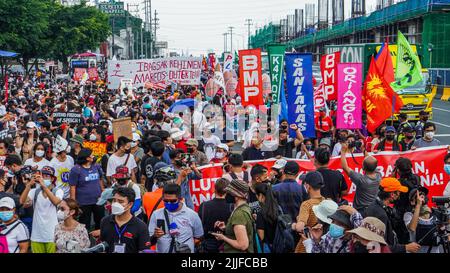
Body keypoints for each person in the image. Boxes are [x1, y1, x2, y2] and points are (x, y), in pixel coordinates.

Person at [364, 177, 421, 253]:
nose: (400, 195)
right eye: (399, 192)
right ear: (392, 194)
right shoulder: (380, 214)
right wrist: (405, 248)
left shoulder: (375, 206)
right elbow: (378, 247)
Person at [19, 166, 63, 253]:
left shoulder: (58, 191)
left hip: (52, 235)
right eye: (43, 175)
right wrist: (28, 186)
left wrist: (44, 186)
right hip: (36, 236)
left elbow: (56, 202)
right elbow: (22, 202)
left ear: (52, 178)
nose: (44, 178)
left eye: (47, 176)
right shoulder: (35, 191)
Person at [148, 183, 203, 253]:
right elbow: (149, 241)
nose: (169, 203)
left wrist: (188, 247)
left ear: (180, 199)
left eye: (173, 201)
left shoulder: (192, 215)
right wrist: (155, 236)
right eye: (166, 201)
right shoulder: (156, 214)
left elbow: (199, 237)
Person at [100, 187, 151, 253]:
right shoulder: (105, 221)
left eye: (120, 201)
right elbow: (103, 246)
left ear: (130, 204)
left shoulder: (140, 226)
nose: (116, 204)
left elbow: (144, 250)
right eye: (114, 200)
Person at [211, 179, 254, 253]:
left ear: (236, 196)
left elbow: (243, 245)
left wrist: (223, 237)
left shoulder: (239, 213)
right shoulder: (244, 207)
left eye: (229, 193)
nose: (226, 195)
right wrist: (226, 227)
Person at [69, 148, 105, 231]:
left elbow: (100, 179)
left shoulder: (96, 166)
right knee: (85, 225)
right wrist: (73, 203)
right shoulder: (76, 169)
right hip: (83, 203)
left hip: (98, 200)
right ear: (87, 158)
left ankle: (100, 241)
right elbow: (72, 187)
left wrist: (103, 192)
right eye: (92, 154)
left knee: (100, 223)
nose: (94, 156)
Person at [341, 142, 381, 213]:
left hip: (361, 211)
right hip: (373, 209)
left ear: (363, 168)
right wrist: (363, 150)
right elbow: (371, 161)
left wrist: (343, 151)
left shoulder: (361, 180)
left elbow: (345, 167)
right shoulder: (378, 175)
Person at [292, 171, 326, 253]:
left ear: (307, 186)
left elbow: (299, 227)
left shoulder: (307, 204)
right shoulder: (326, 201)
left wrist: (293, 225)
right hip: (323, 244)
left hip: (307, 245)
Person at [198, 178, 233, 253]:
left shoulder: (204, 206)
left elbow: (199, 228)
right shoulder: (232, 206)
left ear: (214, 189)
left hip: (209, 245)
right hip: (228, 245)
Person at [403, 187, 441, 253]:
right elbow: (412, 228)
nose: (421, 196)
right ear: (412, 201)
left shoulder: (436, 213)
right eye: (417, 195)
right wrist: (418, 204)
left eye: (423, 194)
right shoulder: (409, 215)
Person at [272, 161, 308, 225]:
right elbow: (306, 210)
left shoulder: (274, 188)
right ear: (297, 174)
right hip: (298, 228)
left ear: (284, 172)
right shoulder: (301, 189)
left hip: (280, 228)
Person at [254, 183, 280, 252]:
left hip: (268, 246)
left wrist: (257, 222)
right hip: (279, 244)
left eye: (256, 195)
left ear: (261, 195)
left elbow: (261, 236)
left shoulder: (261, 213)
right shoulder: (278, 209)